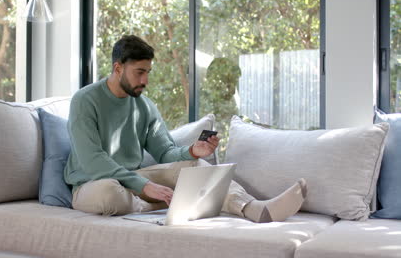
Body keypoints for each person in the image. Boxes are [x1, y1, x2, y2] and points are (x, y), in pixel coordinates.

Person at [64, 35, 307, 223]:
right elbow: (92, 160)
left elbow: (166, 153)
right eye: (139, 72)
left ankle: (254, 208)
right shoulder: (85, 101)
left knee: (194, 167)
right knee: (110, 193)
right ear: (118, 68)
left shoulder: (144, 106)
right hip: (92, 184)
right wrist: (144, 187)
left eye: (148, 72)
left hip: (133, 181)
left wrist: (192, 151)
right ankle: (174, 203)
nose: (145, 81)